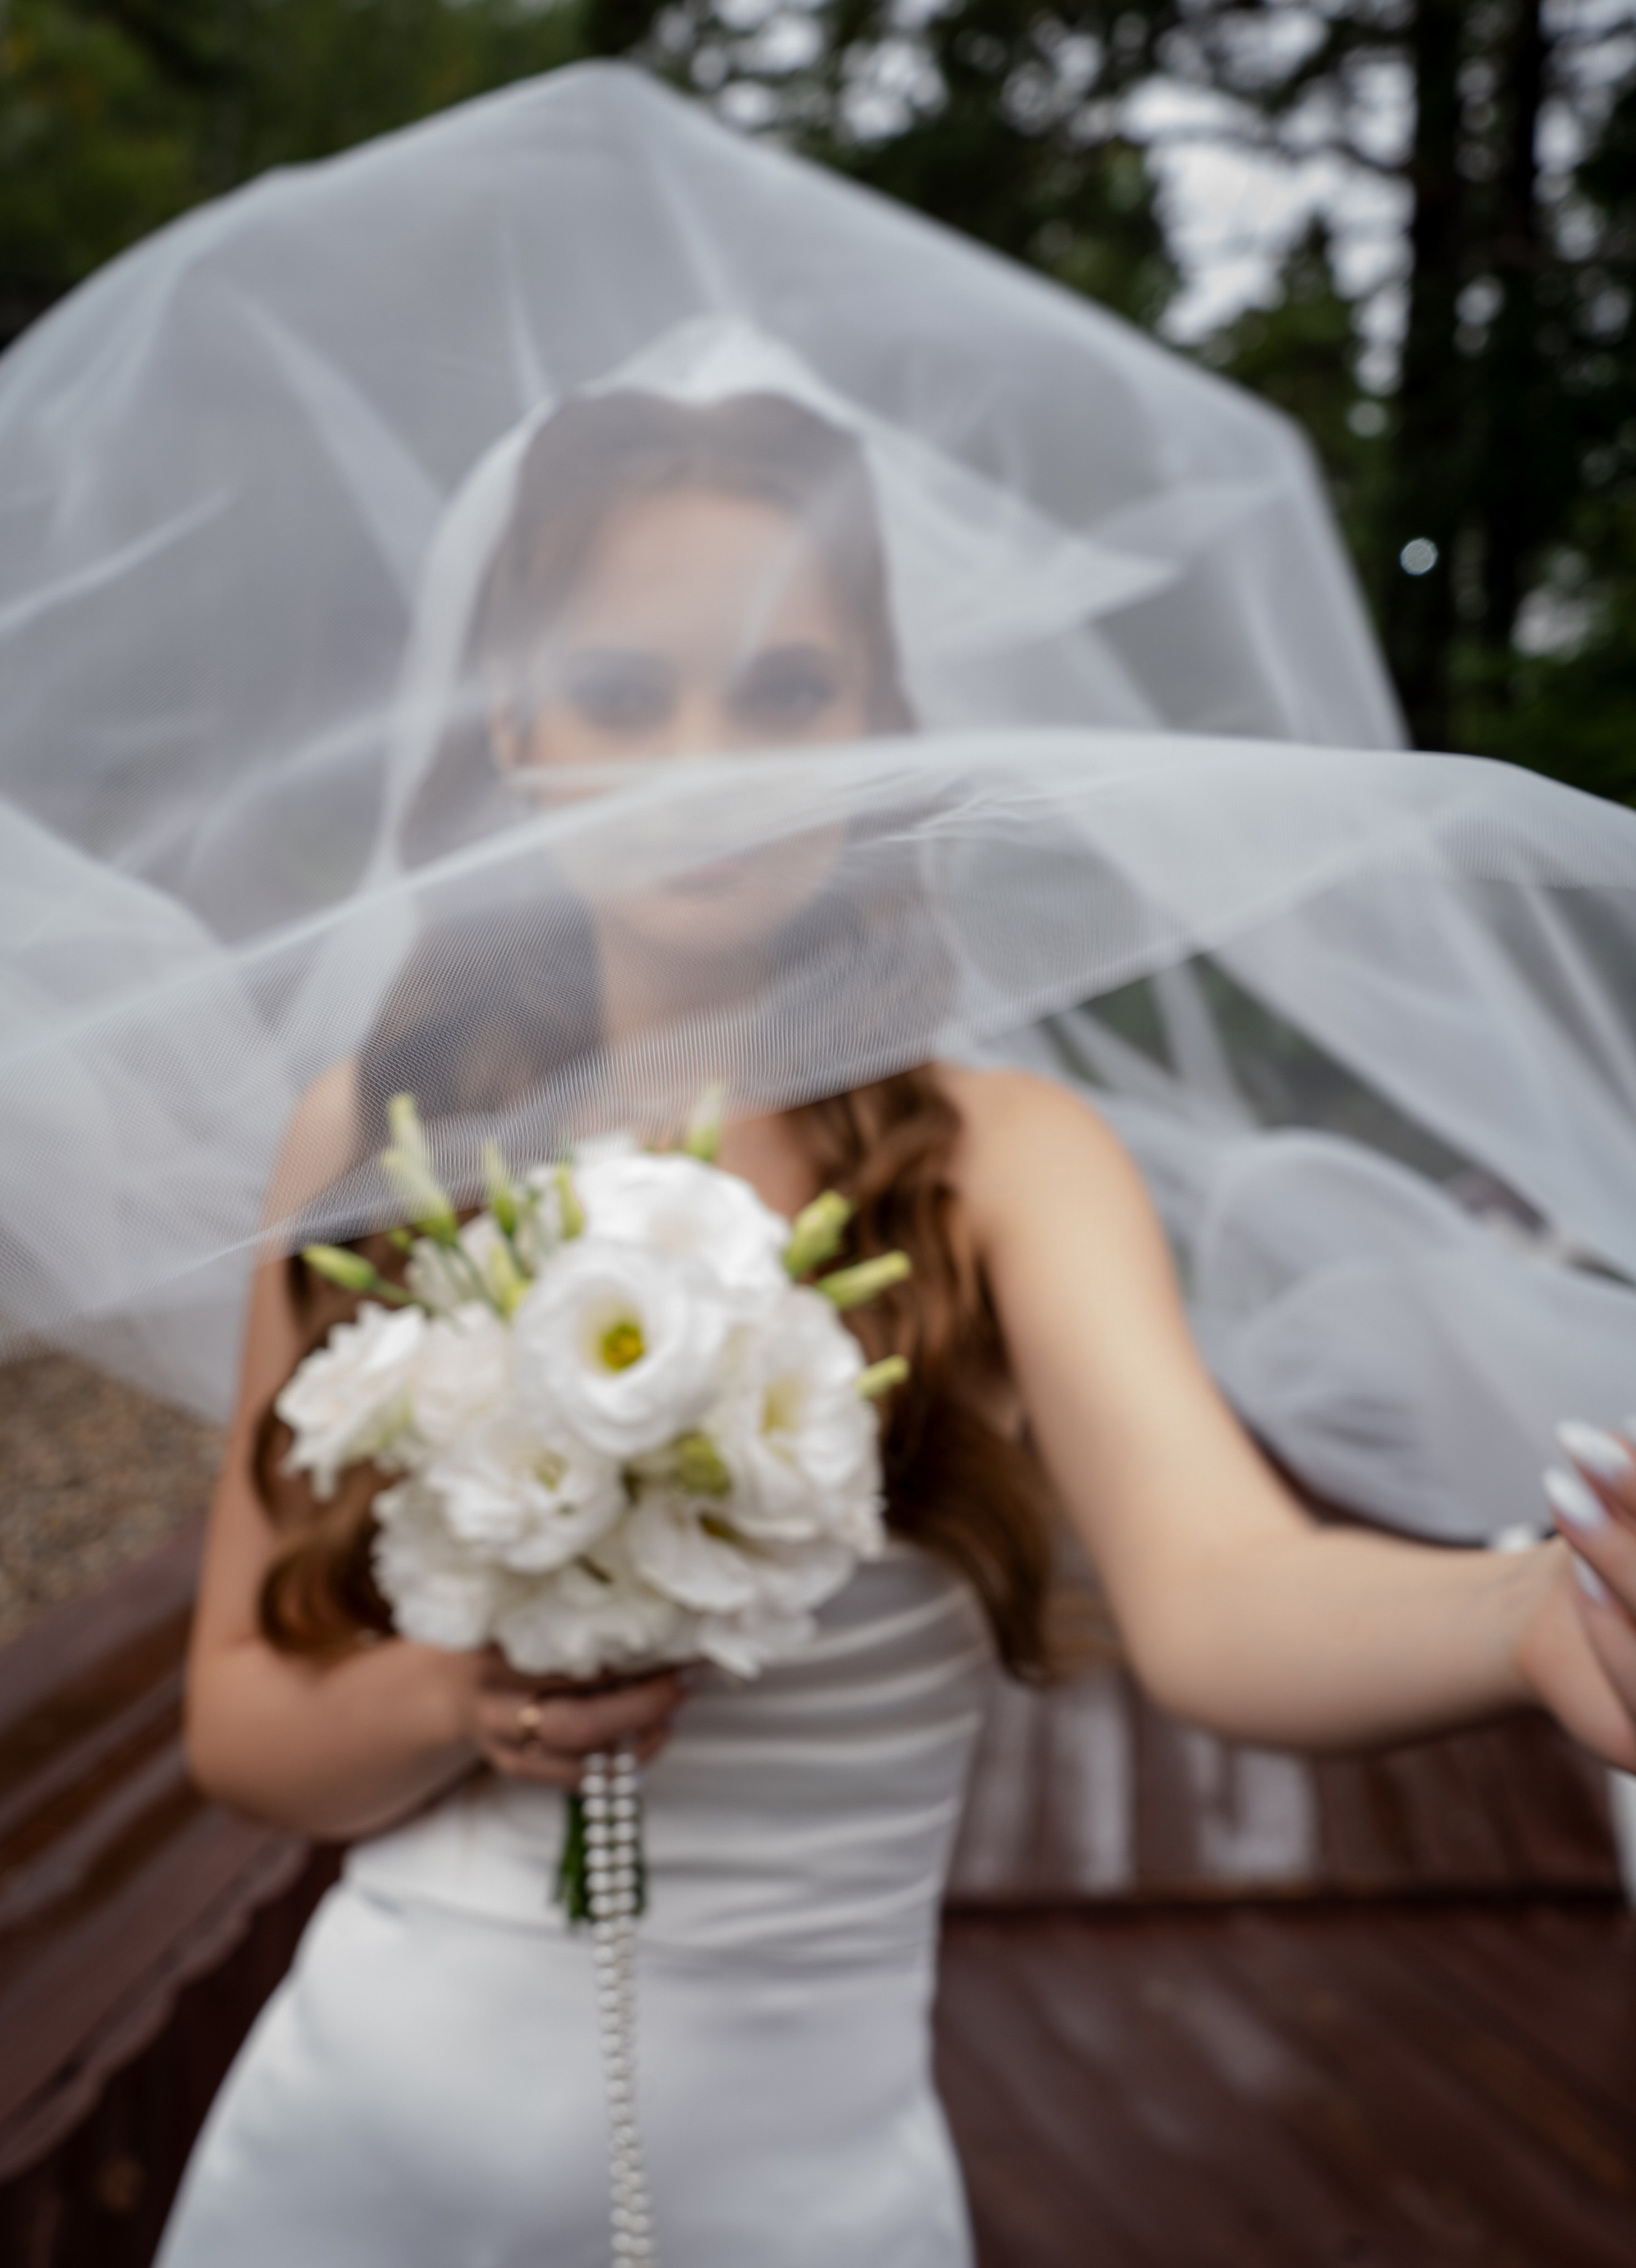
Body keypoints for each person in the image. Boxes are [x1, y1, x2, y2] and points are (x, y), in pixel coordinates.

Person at [150, 378, 1636, 2268]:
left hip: (797, 2199)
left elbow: (1224, 1590)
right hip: (352, 2165)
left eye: (787, 692)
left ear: (881, 730)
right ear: (515, 731)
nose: (710, 765)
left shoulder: (1009, 1165)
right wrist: (474, 1690)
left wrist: (1525, 1617)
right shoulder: (378, 1133)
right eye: (623, 693)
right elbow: (242, 1729)